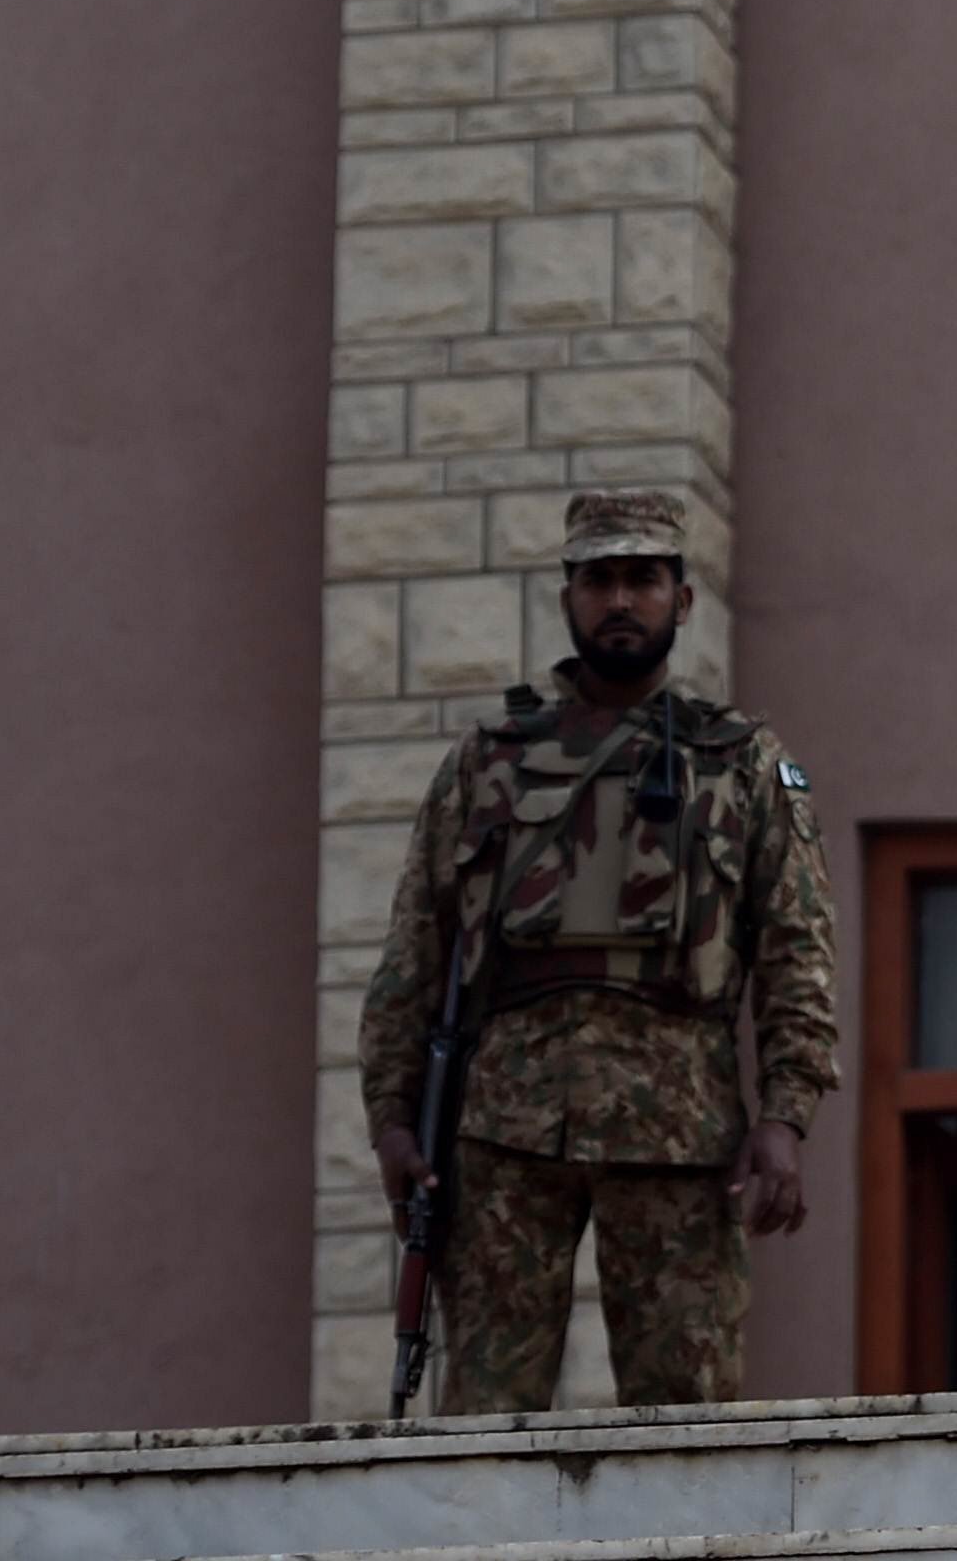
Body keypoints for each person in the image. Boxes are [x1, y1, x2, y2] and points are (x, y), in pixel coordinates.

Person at [357, 490, 837, 1413]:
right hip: (502, 1135)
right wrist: (391, 1113)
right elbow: (415, 947)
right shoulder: (486, 759)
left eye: (644, 580)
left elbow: (798, 950)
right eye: (600, 580)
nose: (622, 600)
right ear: (568, 595)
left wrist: (787, 1116)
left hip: (681, 1131)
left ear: (682, 600)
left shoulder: (742, 764)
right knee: (486, 1418)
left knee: (686, 1419)